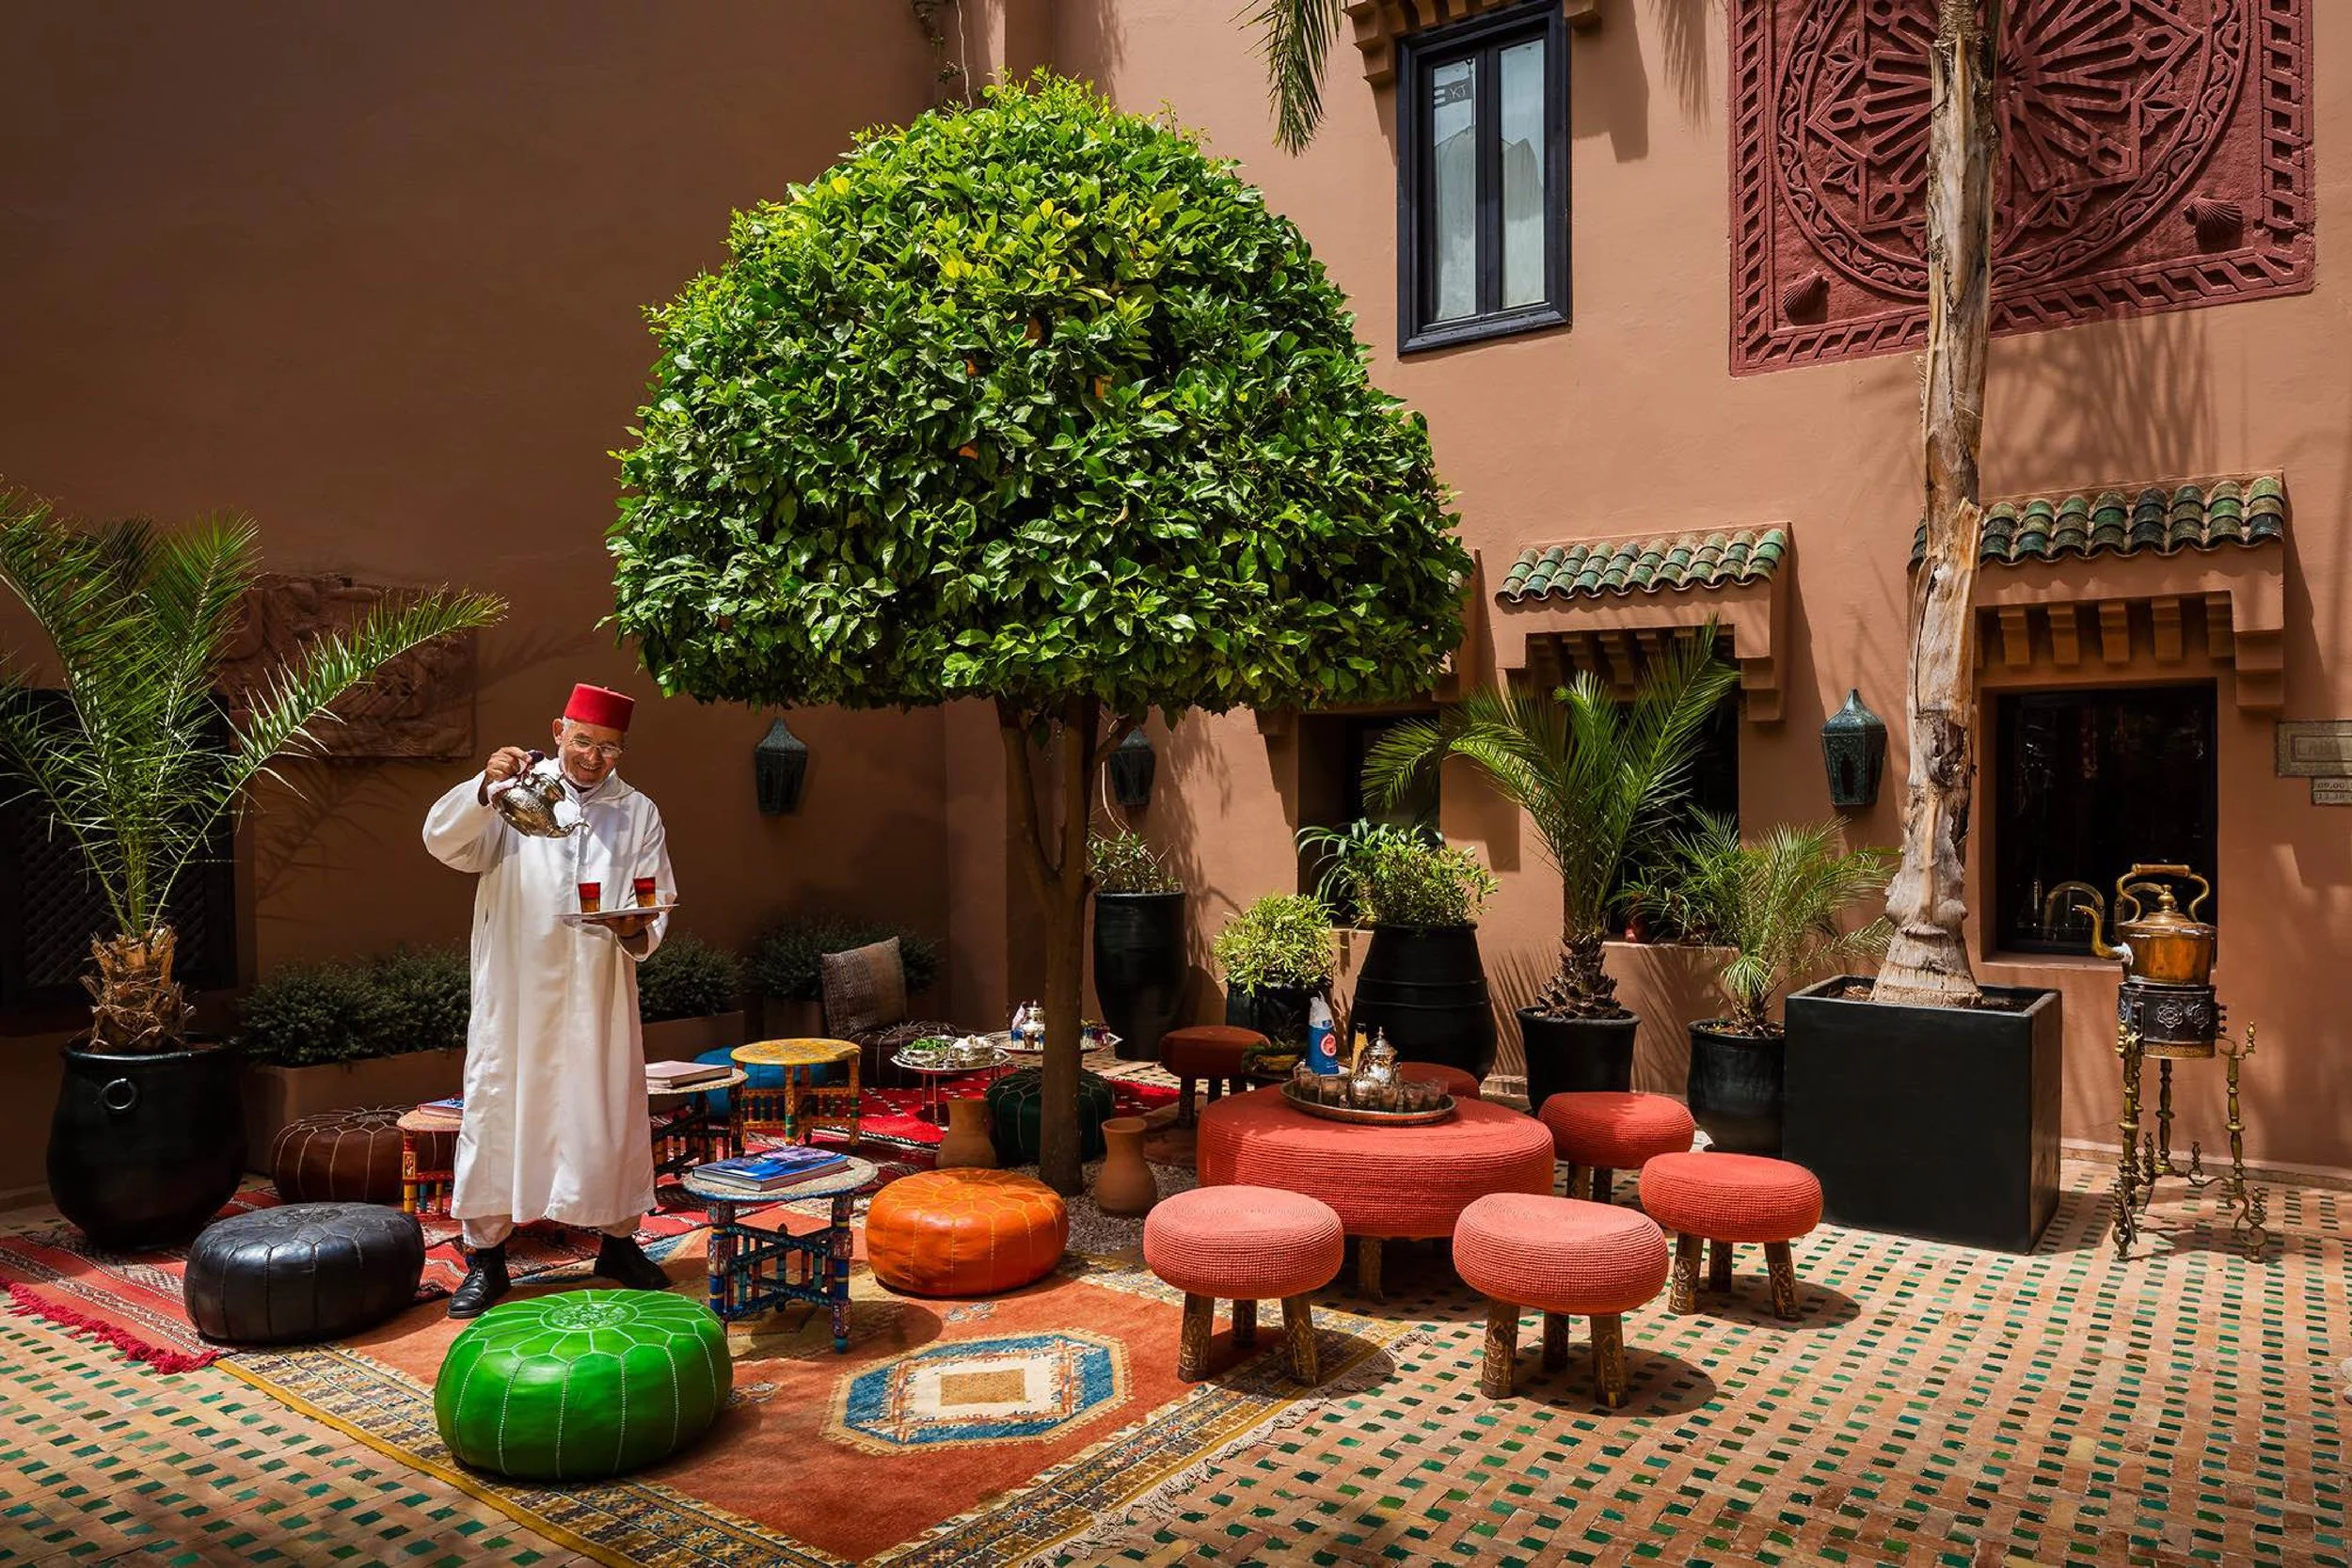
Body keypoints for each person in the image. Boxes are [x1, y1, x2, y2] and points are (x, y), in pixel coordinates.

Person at [422, 683, 675, 1317]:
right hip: (516, 987)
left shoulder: (637, 811)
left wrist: (634, 927)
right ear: (559, 731)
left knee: (605, 1108)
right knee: (499, 1108)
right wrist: (485, 787)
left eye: (609, 748)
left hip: (598, 989)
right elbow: (445, 841)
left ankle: (618, 1244)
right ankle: (487, 1258)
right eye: (584, 741)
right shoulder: (517, 792)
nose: (594, 757)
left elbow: (654, 897)